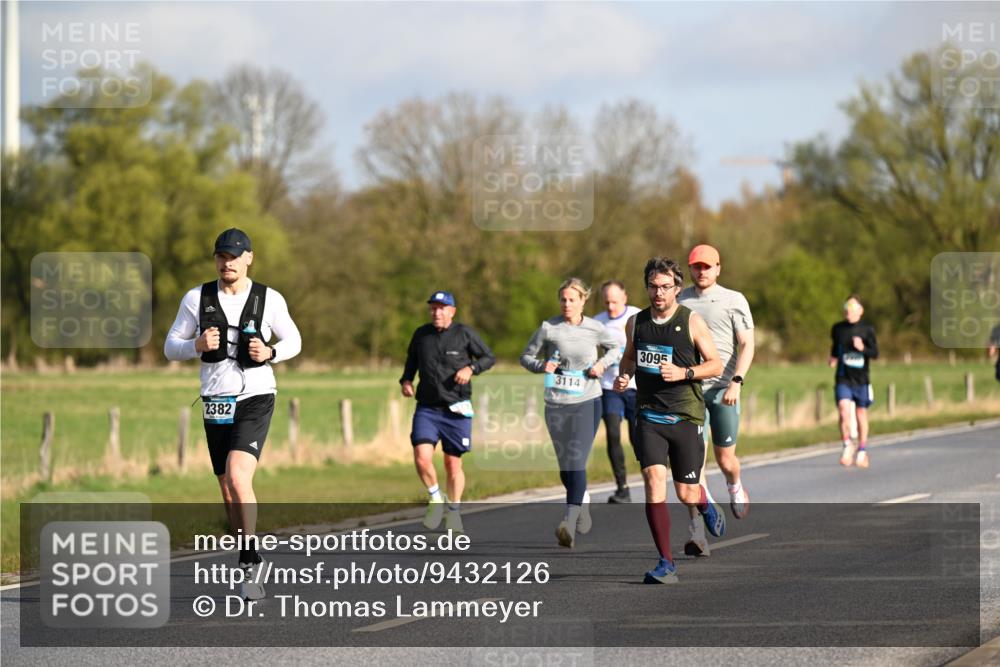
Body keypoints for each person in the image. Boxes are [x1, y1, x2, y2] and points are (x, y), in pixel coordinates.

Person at [164, 228, 302, 600]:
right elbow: (169, 345)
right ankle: (245, 555)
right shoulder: (197, 297)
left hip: (257, 395)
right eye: (221, 257)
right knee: (226, 485)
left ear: (249, 258)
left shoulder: (269, 299)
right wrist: (195, 344)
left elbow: (294, 340)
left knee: (240, 477)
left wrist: (270, 352)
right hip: (215, 399)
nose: (227, 263)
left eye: (234, 256)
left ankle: (253, 560)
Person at [613, 257, 722, 584]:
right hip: (648, 415)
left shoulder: (691, 321)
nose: (658, 293)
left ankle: (704, 502)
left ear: (676, 289)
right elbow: (630, 357)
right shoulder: (636, 323)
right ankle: (665, 563)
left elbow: (715, 365)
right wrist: (623, 376)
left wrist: (684, 372)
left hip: (686, 415)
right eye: (652, 286)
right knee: (653, 483)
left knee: (686, 493)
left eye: (665, 287)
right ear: (646, 287)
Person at [521, 278, 621, 548]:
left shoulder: (595, 328)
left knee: (576, 457)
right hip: (556, 402)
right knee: (566, 466)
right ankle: (582, 500)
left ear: (583, 301)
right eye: (563, 300)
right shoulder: (548, 328)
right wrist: (542, 366)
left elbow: (617, 348)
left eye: (572, 300)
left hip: (588, 400)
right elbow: (526, 357)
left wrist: (601, 365)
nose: (566, 304)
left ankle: (569, 520)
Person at [678, 244, 755, 557]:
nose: (702, 272)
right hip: (690, 390)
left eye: (707, 267)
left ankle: (734, 484)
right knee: (692, 465)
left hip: (723, 390)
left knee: (725, 460)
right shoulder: (679, 299)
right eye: (696, 266)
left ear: (718, 268)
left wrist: (737, 381)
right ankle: (698, 532)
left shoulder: (733, 300)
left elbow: (747, 343)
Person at [400, 291, 496, 534]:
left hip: (456, 408)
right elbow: (411, 360)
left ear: (452, 311)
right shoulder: (421, 334)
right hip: (428, 407)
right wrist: (406, 381)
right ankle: (435, 497)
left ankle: (453, 512)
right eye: (433, 308)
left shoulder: (464, 333)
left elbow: (488, 357)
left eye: (442, 308)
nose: (437, 312)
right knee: (421, 457)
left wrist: (471, 368)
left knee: (452, 465)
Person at [593, 281, 642, 503]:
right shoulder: (597, 322)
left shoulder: (637, 316)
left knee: (637, 438)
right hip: (609, 387)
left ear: (625, 297)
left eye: (615, 301)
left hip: (636, 386)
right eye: (607, 302)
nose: (611, 306)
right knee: (613, 434)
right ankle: (622, 487)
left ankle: (652, 478)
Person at [829, 295, 879, 468]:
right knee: (843, 410)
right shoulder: (837, 328)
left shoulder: (867, 330)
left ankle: (862, 450)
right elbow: (835, 347)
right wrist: (834, 358)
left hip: (862, 380)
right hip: (843, 377)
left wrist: (862, 348)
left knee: (860, 415)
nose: (848, 312)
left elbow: (875, 354)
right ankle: (847, 444)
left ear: (860, 311)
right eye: (846, 309)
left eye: (851, 309)